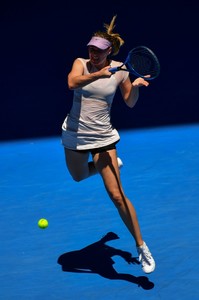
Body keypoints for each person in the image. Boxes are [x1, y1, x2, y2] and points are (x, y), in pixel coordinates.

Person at [61, 15, 155, 274]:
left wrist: (134, 85)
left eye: (99, 51)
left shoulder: (121, 71)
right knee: (78, 176)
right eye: (91, 48)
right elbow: (71, 83)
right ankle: (107, 166)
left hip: (103, 138)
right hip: (74, 134)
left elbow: (130, 102)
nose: (93, 53)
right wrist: (99, 74)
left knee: (116, 195)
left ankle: (141, 246)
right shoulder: (80, 63)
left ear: (109, 51)